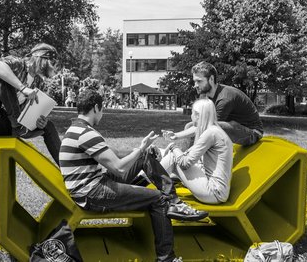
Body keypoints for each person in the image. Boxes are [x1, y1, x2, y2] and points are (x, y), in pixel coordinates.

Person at [58, 89, 208, 262]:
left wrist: (142, 150)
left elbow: (112, 155)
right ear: (96, 108)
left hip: (93, 185)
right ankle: (166, 258)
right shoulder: (87, 133)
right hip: (92, 193)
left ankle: (174, 201)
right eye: (102, 109)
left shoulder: (77, 129)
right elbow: (119, 168)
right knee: (158, 198)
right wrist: (140, 148)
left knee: (144, 156)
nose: (102, 114)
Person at [0, 43, 61, 165]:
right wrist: (22, 88)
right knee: (5, 77)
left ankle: (67, 171)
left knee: (48, 126)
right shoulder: (18, 63)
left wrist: (39, 121)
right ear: (40, 58)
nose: (51, 68)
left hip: (4, 126)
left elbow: (28, 110)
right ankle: (18, 125)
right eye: (50, 63)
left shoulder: (38, 82)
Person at [163, 62, 263, 146]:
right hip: (235, 128)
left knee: (211, 127)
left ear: (211, 79)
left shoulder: (224, 98)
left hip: (252, 133)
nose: (195, 85)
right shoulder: (206, 95)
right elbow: (200, 122)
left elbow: (206, 126)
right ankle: (186, 158)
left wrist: (176, 135)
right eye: (194, 81)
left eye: (199, 81)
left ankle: (193, 159)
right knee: (190, 125)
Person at [161, 99, 233, 204]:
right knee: (172, 155)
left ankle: (146, 184)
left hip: (213, 192)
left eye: (192, 113)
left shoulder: (210, 134)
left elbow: (185, 163)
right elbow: (195, 129)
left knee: (173, 156)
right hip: (218, 191)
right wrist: (175, 137)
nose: (191, 116)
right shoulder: (214, 130)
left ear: (198, 115)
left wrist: (173, 146)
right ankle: (148, 178)